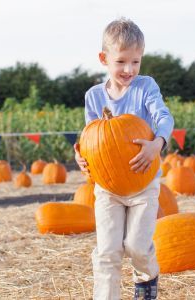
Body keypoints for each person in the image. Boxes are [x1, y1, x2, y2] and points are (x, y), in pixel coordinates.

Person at [74, 17, 174, 300]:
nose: (129, 69)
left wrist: (157, 143)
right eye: (121, 62)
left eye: (136, 62)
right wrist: (81, 158)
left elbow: (163, 117)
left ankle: (147, 275)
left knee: (137, 248)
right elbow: (90, 140)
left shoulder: (145, 87)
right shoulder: (93, 97)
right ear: (104, 58)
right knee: (107, 251)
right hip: (107, 189)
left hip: (144, 185)